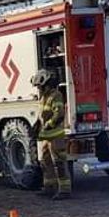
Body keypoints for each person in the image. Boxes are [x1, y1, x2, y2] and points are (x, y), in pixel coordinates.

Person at [33, 69, 71, 199]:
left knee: (59, 162)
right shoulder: (44, 97)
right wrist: (37, 125)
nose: (38, 88)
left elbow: (59, 114)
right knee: (45, 162)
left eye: (39, 86)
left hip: (55, 136)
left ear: (46, 84)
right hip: (46, 136)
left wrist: (48, 125)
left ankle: (65, 190)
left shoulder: (56, 95)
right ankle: (49, 187)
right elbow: (43, 114)